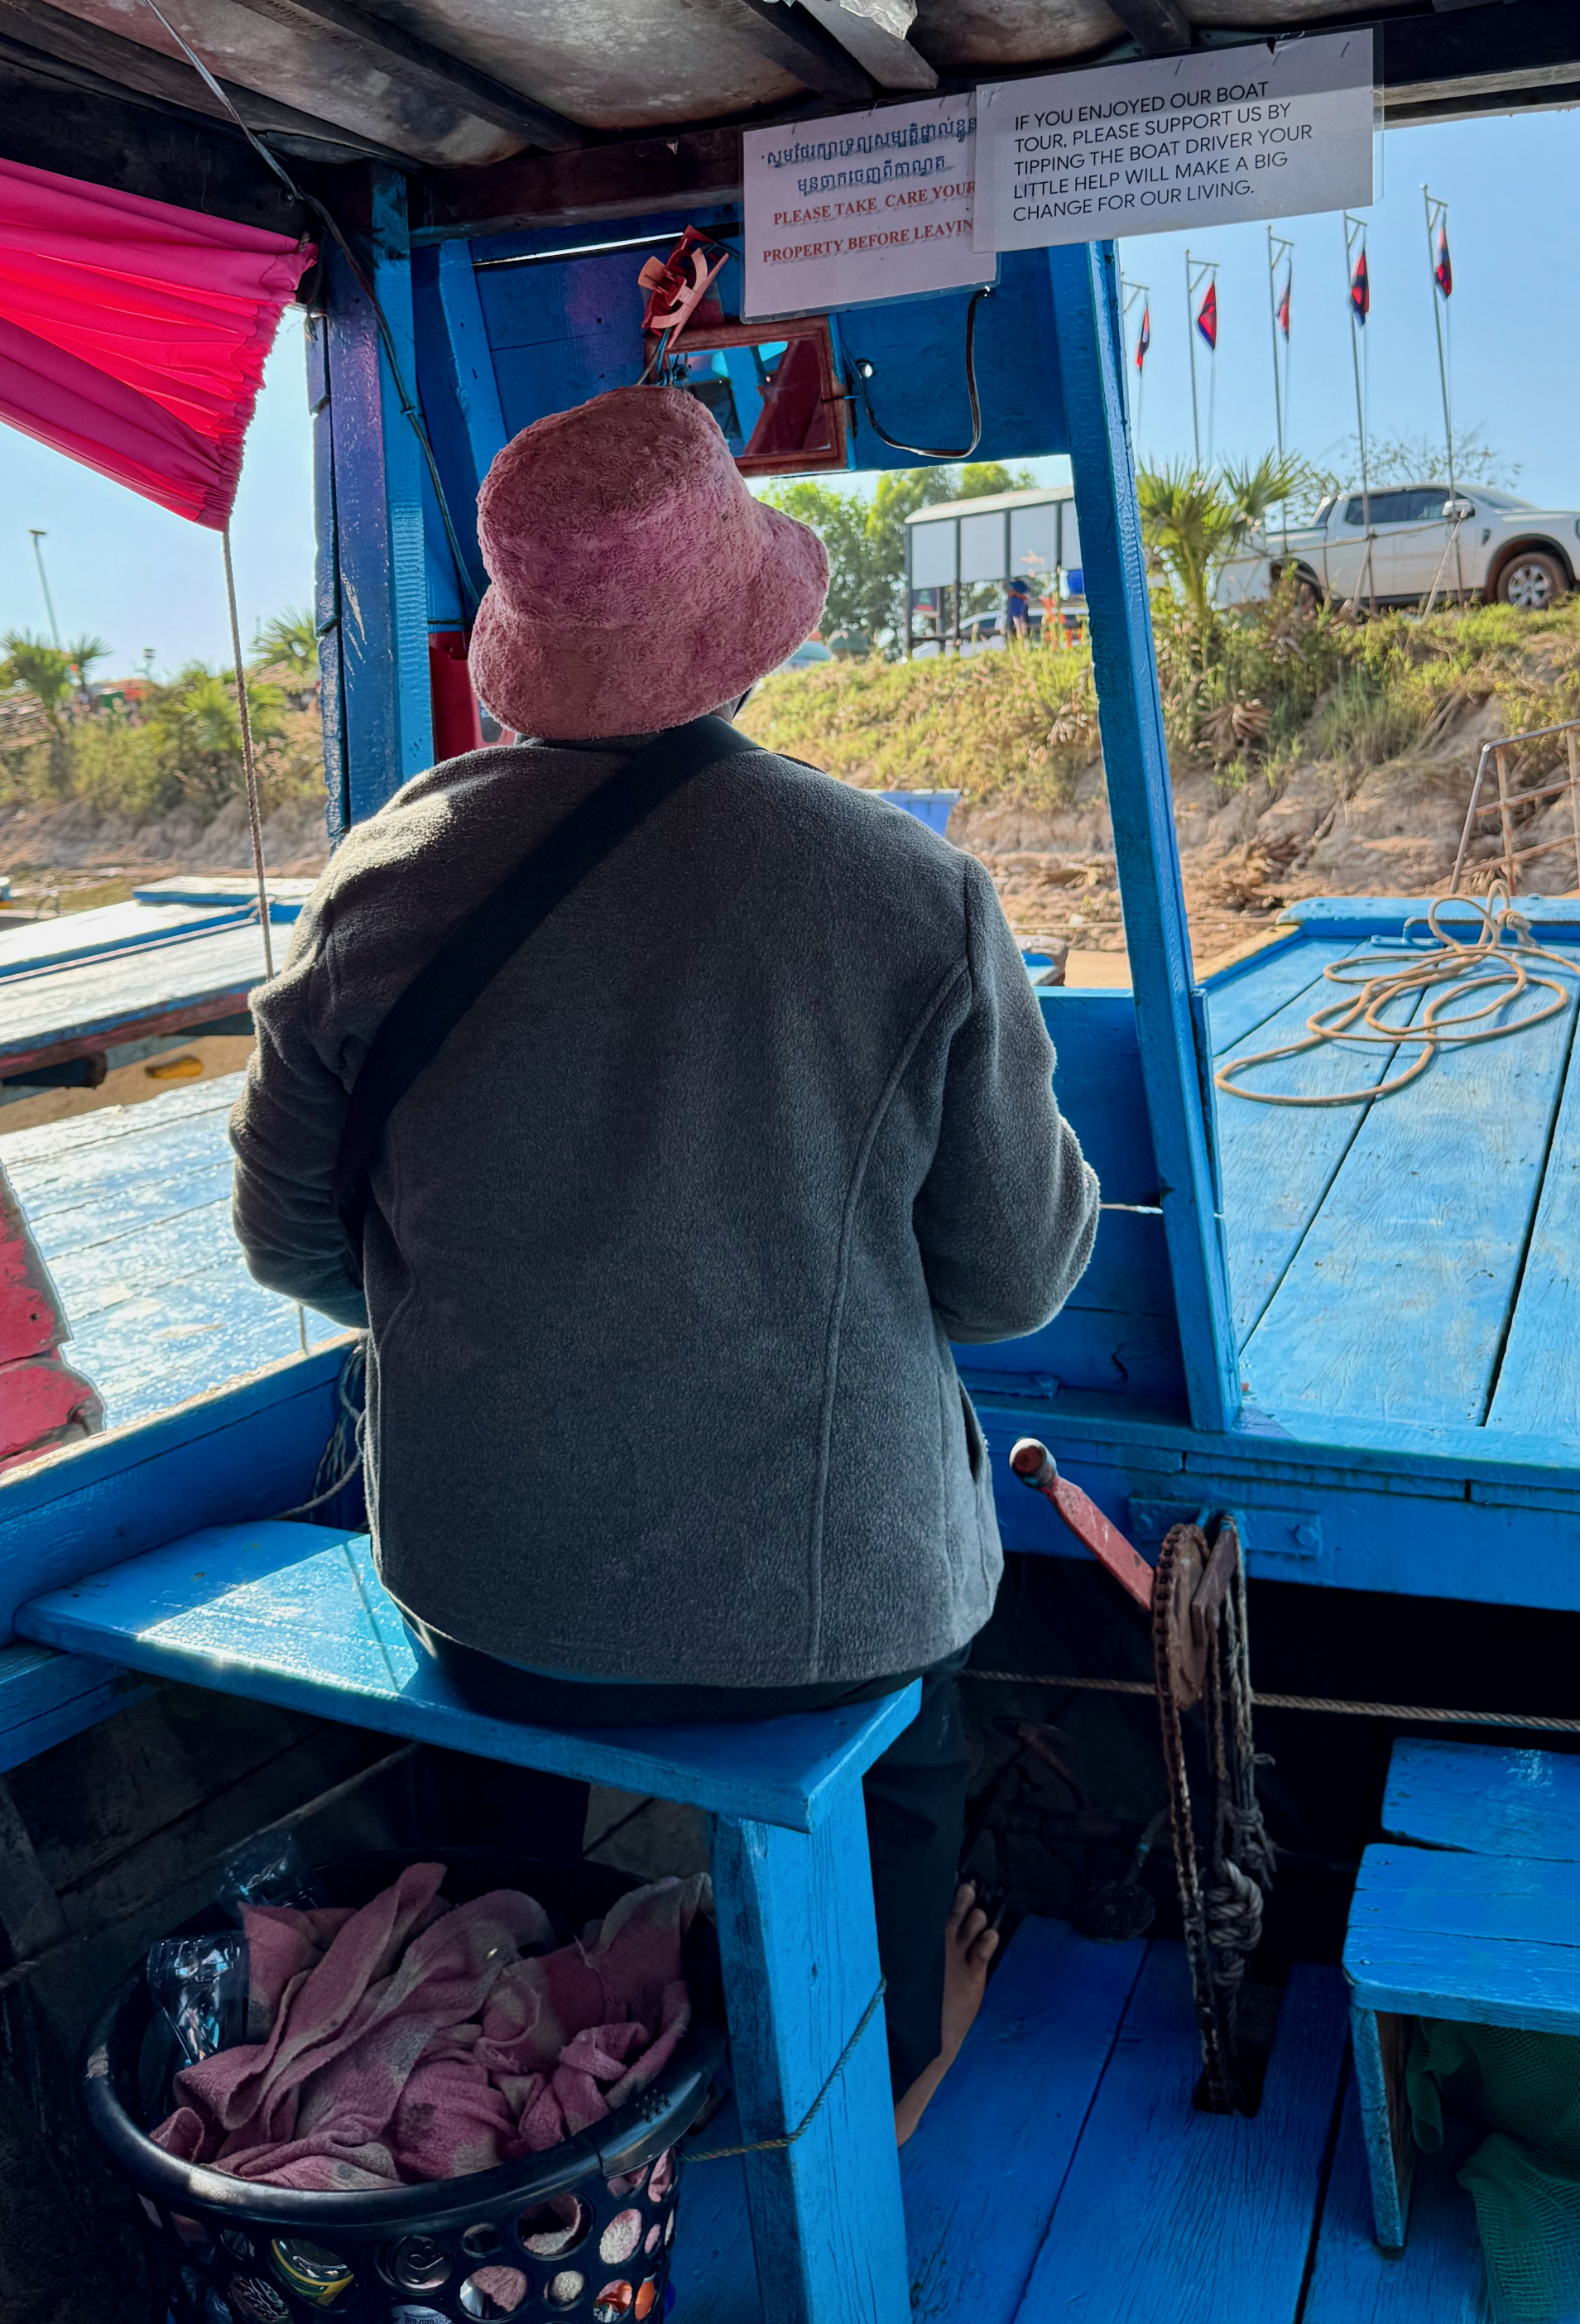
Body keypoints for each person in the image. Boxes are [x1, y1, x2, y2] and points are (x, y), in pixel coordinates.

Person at [229, 383, 1098, 2141]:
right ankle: (890, 2050)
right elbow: (1014, 1281)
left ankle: (523, 2033)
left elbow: (293, 1241)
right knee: (910, 1733)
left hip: (493, 1600)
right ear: (739, 636)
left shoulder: (375, 886)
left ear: (520, 638)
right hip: (821, 1625)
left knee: (506, 1749)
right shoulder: (904, 894)